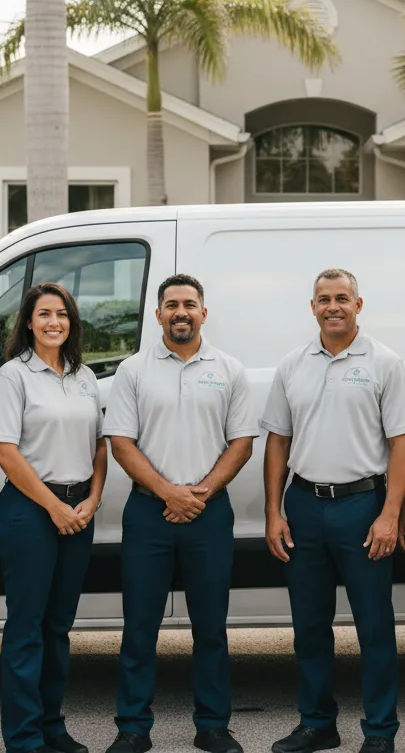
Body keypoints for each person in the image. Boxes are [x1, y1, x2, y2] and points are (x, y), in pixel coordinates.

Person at [262, 268, 405, 753]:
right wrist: (273, 510)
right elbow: (277, 441)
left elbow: (402, 443)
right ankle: (317, 723)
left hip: (363, 507)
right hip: (305, 506)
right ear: (312, 307)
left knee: (374, 626)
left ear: (358, 304)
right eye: (324, 299)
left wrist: (391, 512)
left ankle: (380, 731)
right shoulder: (292, 365)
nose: (333, 306)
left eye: (342, 298)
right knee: (310, 626)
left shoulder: (385, 363)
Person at [102, 274, 259, 753]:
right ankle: (133, 727)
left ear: (203, 313)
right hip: (149, 512)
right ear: (158, 315)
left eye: (189, 304)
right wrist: (168, 492)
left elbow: (243, 443)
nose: (180, 312)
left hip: (209, 514)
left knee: (210, 627)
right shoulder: (134, 370)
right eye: (171, 304)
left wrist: (199, 494)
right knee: (140, 627)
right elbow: (121, 443)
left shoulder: (229, 370)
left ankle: (212, 725)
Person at [0, 282, 109, 753]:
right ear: (28, 322)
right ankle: (23, 736)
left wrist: (92, 500)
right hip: (30, 511)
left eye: (61, 314)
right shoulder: (13, 377)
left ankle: (52, 727)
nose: (53, 322)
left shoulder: (84, 377)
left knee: (58, 627)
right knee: (27, 627)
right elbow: (5, 451)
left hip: (78, 510)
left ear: (71, 322)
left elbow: (100, 445)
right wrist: (53, 506)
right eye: (43, 314)